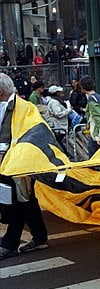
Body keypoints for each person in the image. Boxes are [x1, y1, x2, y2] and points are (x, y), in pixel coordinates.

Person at [0, 72, 49, 260]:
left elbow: (35, 132)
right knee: (27, 200)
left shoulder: (25, 107)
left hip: (20, 162)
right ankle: (39, 236)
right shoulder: (7, 106)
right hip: (6, 162)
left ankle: (9, 243)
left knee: (18, 202)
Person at [80, 75, 100, 158]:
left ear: (83, 87)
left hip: (97, 135)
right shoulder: (99, 97)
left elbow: (97, 118)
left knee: (93, 160)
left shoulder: (91, 99)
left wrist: (96, 135)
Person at [46, 85, 71, 154]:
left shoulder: (56, 101)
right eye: (59, 92)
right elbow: (58, 114)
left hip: (60, 125)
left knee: (59, 142)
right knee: (59, 142)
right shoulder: (54, 102)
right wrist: (68, 110)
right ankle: (65, 154)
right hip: (58, 126)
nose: (62, 94)